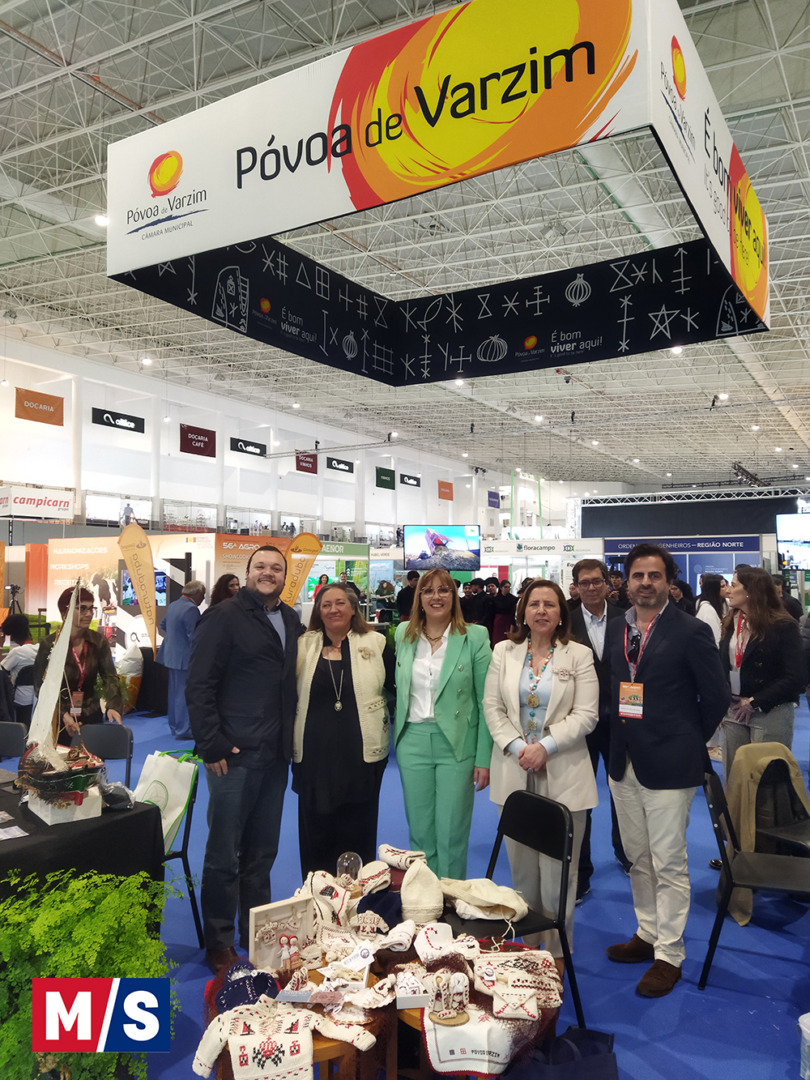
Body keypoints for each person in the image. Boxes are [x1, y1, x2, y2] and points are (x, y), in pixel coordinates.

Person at [605, 543, 729, 998]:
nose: (645, 583)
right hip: (624, 760)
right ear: (627, 581)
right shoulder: (618, 628)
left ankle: (670, 954)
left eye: (654, 575)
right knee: (637, 856)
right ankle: (647, 932)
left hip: (671, 761)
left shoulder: (691, 630)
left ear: (669, 582)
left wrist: (687, 738)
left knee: (669, 861)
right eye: (638, 575)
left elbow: (715, 696)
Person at [186, 545, 303, 975]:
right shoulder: (223, 616)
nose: (268, 573)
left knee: (262, 852)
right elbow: (199, 683)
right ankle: (219, 941)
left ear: (284, 576)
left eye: (276, 568)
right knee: (224, 853)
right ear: (248, 572)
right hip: (232, 755)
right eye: (260, 567)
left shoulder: (291, 618)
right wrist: (211, 743)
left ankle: (254, 933)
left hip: (275, 754)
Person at [483, 578, 598, 974]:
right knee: (522, 871)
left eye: (550, 604)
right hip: (514, 770)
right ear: (523, 611)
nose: (542, 611)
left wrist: (544, 747)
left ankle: (558, 953)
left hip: (563, 772)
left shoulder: (578, 655)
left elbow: (586, 715)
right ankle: (528, 947)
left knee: (558, 874)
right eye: (534, 604)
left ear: (562, 612)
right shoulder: (504, 651)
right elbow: (493, 707)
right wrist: (520, 748)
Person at [394, 568, 492, 879]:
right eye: (428, 590)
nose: (436, 596)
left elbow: (485, 701)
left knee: (452, 832)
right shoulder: (403, 633)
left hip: (457, 742)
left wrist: (484, 757)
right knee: (420, 832)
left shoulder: (475, 637)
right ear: (419, 598)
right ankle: (424, 897)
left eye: (444, 590)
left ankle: (450, 898)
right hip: (412, 741)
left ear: (454, 596)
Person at [292, 584, 394, 876]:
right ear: (318, 610)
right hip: (314, 757)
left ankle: (357, 896)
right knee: (316, 832)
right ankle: (318, 893)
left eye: (340, 603)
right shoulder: (304, 645)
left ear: (353, 608)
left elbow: (395, 688)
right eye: (326, 605)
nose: (333, 609)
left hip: (361, 756)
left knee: (358, 830)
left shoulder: (376, 643)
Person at [567, 560, 630, 897]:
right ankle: (580, 871)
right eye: (584, 583)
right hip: (579, 724)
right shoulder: (566, 622)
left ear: (608, 583)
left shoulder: (627, 618)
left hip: (621, 722)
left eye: (596, 581)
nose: (591, 588)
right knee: (579, 800)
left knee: (624, 792)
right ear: (576, 587)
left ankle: (627, 853)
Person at [720, 566, 805, 779]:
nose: (728, 590)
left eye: (734, 585)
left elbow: (795, 676)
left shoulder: (782, 626)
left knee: (765, 781)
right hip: (733, 709)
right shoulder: (731, 622)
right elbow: (723, 665)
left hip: (770, 710)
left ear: (751, 591)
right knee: (735, 779)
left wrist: (755, 702)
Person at [33, 587, 124, 745]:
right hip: (58, 718)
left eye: (91, 608)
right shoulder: (50, 644)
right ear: (65, 613)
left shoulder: (98, 642)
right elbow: (40, 687)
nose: (88, 614)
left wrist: (113, 705)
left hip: (91, 712)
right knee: (61, 759)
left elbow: (109, 676)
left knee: (91, 758)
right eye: (82, 609)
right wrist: (63, 715)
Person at [157, 580, 206, 740]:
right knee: (184, 695)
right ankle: (184, 730)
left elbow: (163, 625)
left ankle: (175, 726)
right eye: (203, 594)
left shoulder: (173, 605)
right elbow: (195, 637)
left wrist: (175, 639)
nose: (203, 598)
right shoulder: (191, 609)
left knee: (174, 695)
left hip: (171, 657)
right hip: (185, 659)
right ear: (196, 593)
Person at [0, 614, 38, 728]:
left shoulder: (17, 652)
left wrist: (1, 645)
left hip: (20, 700)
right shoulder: (41, 649)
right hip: (37, 698)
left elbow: (1, 672)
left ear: (13, 636)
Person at [491, 580, 518, 646]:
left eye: (509, 587)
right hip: (498, 621)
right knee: (498, 638)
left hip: (508, 620)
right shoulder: (495, 599)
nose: (507, 589)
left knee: (507, 638)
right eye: (505, 587)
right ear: (501, 588)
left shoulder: (513, 599)